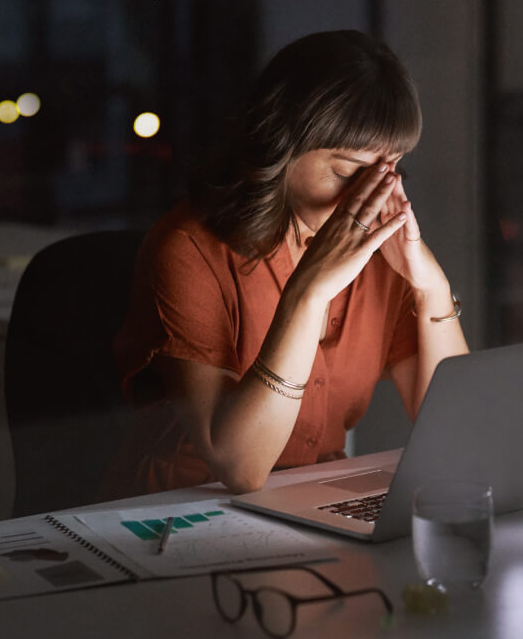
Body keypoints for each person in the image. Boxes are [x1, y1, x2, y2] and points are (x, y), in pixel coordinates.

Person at [102, 30, 469, 497]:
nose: (371, 194)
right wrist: (310, 291)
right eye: (349, 171)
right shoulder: (187, 250)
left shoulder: (380, 258)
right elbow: (241, 467)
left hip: (309, 503)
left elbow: (456, 430)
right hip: (177, 515)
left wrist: (430, 286)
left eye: (390, 168)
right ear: (281, 145)